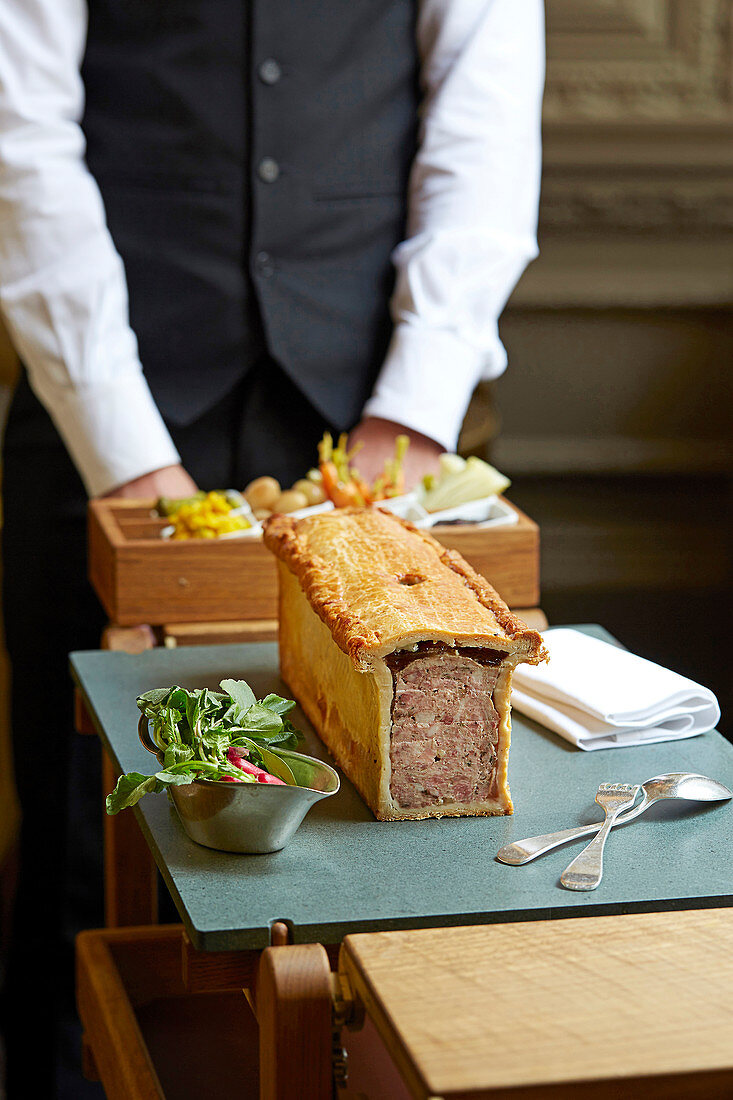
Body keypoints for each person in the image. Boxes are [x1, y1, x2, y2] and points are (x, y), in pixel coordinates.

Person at [0, 0, 544, 1094]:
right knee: (82, 844)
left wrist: (407, 414)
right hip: (102, 403)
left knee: (396, 839)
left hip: (377, 414)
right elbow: (20, 132)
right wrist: (124, 444)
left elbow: (481, 119)